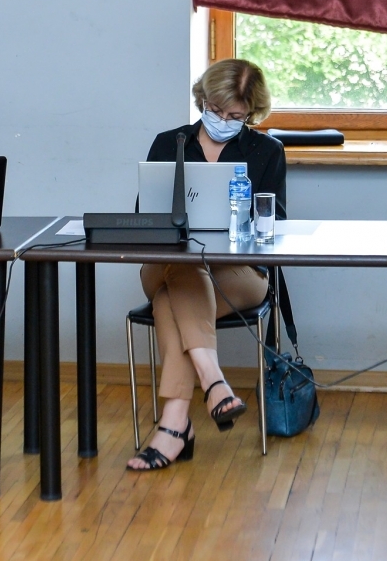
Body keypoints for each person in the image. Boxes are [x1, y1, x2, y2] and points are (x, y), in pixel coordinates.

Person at [126, 58, 286, 471]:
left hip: (238, 276)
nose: (223, 121)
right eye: (216, 110)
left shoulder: (266, 151)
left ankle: (176, 424)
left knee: (169, 301)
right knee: (184, 265)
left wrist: (245, 219)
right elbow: (145, 215)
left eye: (236, 116)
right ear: (203, 100)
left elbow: (277, 225)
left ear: (251, 114)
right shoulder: (169, 143)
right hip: (168, 265)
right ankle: (213, 381)